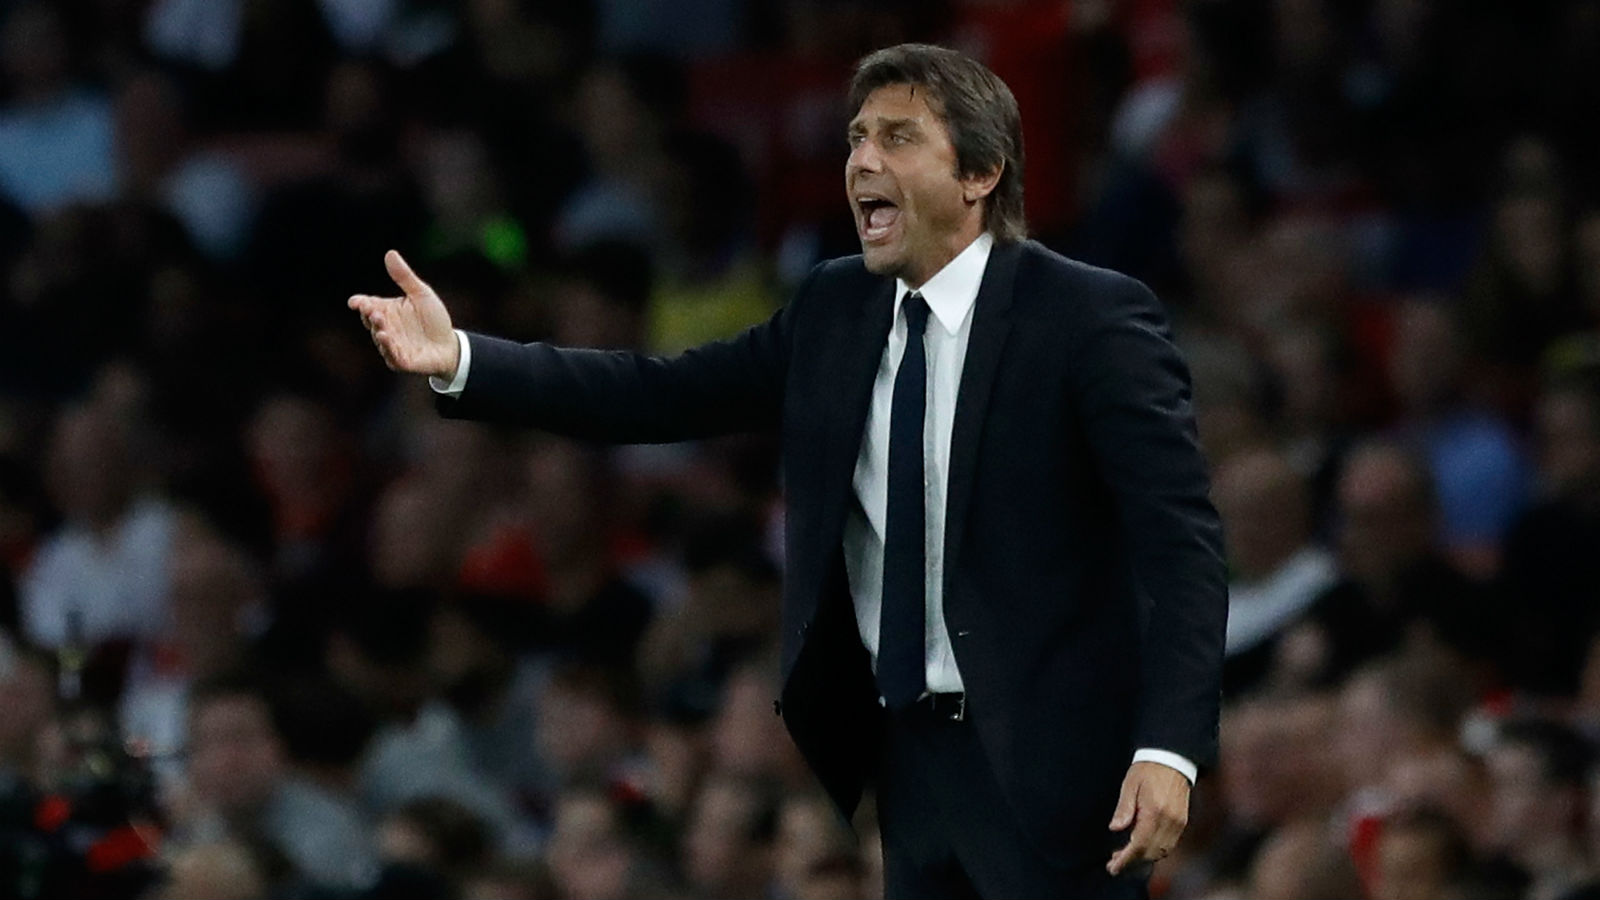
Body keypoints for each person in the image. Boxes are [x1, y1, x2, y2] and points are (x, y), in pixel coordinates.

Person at [350, 43, 1227, 899]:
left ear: (981, 173)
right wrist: (464, 359)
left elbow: (1181, 548)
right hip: (906, 761)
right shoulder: (833, 307)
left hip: (1052, 765)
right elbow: (658, 394)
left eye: (897, 138)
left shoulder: (1089, 317)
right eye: (856, 139)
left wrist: (1169, 748)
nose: (862, 162)